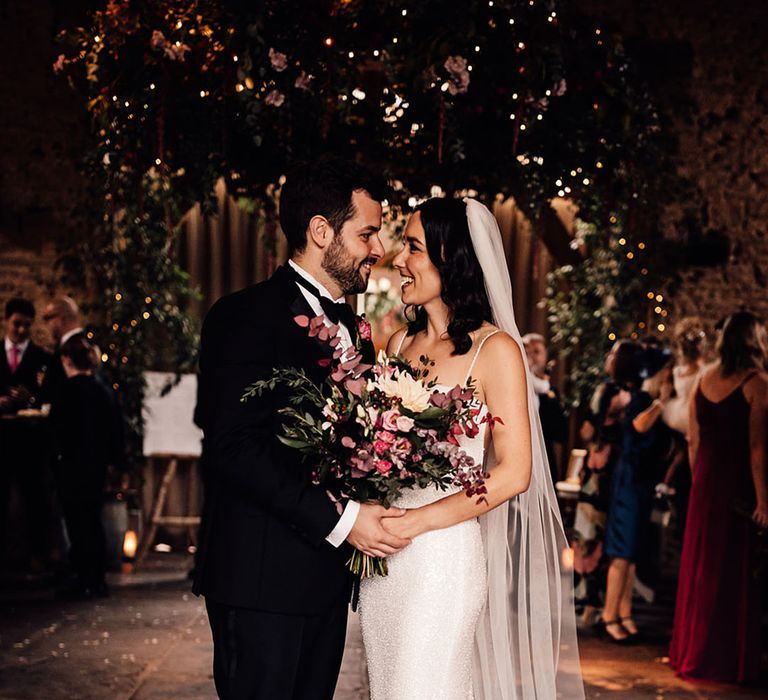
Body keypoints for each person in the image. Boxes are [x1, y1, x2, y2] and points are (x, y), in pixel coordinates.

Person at [193, 156, 410, 700]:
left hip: (324, 582)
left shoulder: (355, 331)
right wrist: (343, 520)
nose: (378, 249)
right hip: (260, 581)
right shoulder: (243, 315)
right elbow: (233, 448)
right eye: (367, 232)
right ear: (320, 231)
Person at [359, 198, 583, 699]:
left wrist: (418, 520)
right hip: (386, 561)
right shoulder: (395, 346)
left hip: (443, 559)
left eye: (413, 247)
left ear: (449, 256)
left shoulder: (495, 351)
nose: (398, 260)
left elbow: (513, 473)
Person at [669, 311, 768, 684]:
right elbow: (757, 449)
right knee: (733, 571)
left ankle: (692, 652)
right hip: (738, 486)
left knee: (702, 568)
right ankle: (726, 660)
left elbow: (694, 442)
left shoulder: (703, 380)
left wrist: (701, 484)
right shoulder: (757, 383)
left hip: (706, 485)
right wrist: (763, 501)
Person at [598, 343, 673, 643]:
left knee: (632, 554)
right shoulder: (642, 400)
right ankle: (608, 615)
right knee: (621, 552)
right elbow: (639, 426)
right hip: (628, 483)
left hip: (641, 483)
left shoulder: (646, 397)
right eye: (665, 375)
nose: (668, 380)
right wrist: (661, 403)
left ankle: (625, 611)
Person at [50, 335, 124, 599]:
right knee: (92, 521)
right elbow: (116, 431)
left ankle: (83, 578)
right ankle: (97, 579)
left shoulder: (66, 392)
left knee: (77, 525)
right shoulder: (103, 390)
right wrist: (117, 464)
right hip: (96, 467)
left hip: (71, 467)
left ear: (66, 360)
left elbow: (56, 433)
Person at [522, 332, 568, 482]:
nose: (533, 357)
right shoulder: (519, 384)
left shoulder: (550, 392)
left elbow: (561, 433)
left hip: (544, 459)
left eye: (537, 352)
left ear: (545, 356)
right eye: (528, 352)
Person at [0, 297, 50, 413]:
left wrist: (30, 398)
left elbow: (50, 398)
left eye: (27, 325)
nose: (22, 330)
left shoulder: (43, 357)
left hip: (31, 427)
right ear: (5, 321)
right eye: (16, 324)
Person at [41, 296, 86, 405]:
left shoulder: (74, 348)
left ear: (60, 319)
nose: (46, 325)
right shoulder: (84, 343)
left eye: (47, 318)